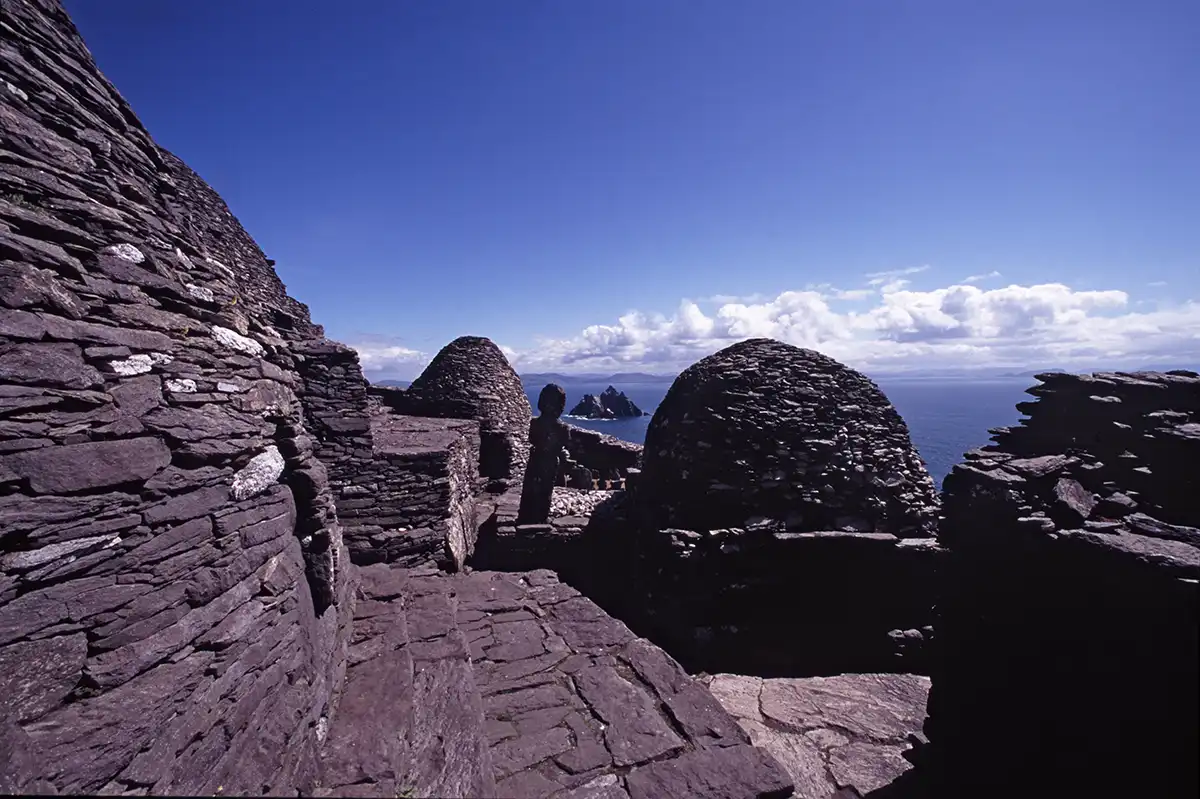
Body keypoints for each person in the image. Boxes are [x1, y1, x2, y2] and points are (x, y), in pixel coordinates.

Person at [517, 383, 572, 524]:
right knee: (544, 492)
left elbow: (532, 439)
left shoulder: (534, 423)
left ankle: (526, 517)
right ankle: (540, 518)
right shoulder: (563, 428)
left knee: (531, 490)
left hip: (535, 458)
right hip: (550, 461)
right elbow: (564, 443)